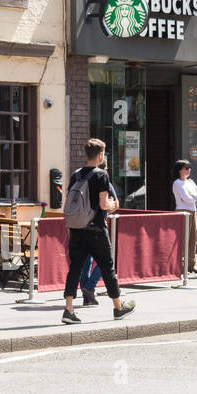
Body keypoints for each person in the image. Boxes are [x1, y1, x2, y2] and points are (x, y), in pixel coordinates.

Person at [63, 138, 136, 323]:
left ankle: (69, 310)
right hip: (95, 229)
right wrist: (113, 204)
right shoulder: (101, 175)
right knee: (107, 267)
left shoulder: (76, 174)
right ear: (101, 155)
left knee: (75, 268)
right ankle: (118, 307)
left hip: (77, 229)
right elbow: (104, 204)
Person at [171, 159, 197, 275]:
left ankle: (191, 264)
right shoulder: (177, 183)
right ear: (179, 170)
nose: (189, 170)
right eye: (186, 168)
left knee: (193, 238)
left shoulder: (190, 182)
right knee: (183, 239)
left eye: (189, 168)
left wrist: (193, 196)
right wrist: (194, 196)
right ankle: (181, 266)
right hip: (183, 211)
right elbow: (186, 199)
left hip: (193, 211)